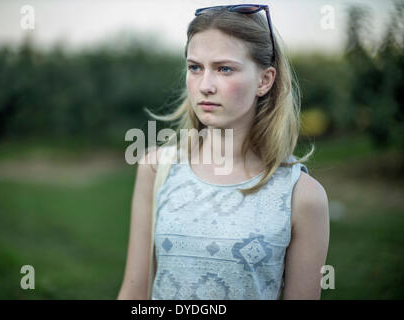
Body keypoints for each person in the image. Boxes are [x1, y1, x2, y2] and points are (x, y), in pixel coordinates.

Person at [117, 4, 329, 300]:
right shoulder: (157, 168)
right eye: (195, 68)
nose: (205, 86)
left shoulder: (302, 195)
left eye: (224, 68)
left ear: (264, 80)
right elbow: (134, 292)